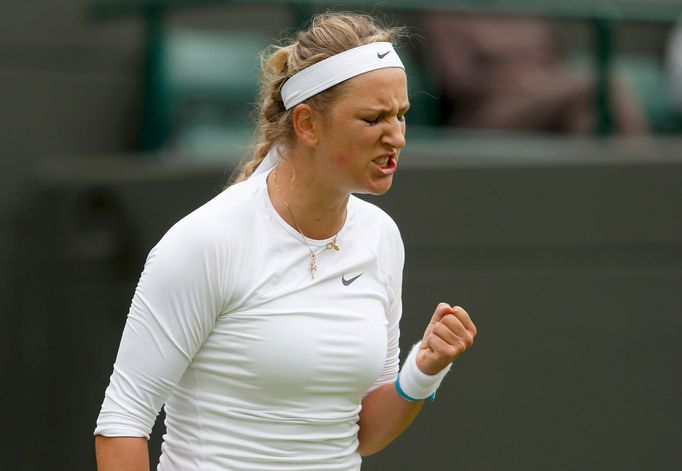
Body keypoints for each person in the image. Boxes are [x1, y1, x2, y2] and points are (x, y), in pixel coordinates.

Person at [94, 12, 477, 471]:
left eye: (401, 115)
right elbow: (122, 423)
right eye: (373, 118)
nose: (396, 136)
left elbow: (363, 435)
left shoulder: (381, 238)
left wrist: (423, 371)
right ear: (307, 124)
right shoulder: (206, 242)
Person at [421, 13, 648, 135]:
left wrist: (541, 81)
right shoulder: (447, 14)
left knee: (587, 117)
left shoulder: (525, 11)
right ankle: (642, 176)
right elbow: (458, 82)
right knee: (603, 83)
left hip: (546, 95)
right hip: (488, 112)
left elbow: (556, 57)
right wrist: (517, 81)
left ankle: (611, 190)